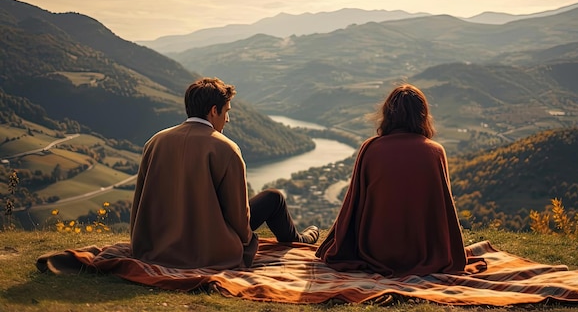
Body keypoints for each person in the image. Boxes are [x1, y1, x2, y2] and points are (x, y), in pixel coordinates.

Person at [130, 77, 319, 270]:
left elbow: (140, 202)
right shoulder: (225, 148)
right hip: (207, 247)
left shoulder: (155, 142)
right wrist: (246, 242)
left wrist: (142, 242)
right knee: (274, 198)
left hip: (157, 244)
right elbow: (238, 215)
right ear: (214, 111)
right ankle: (299, 239)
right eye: (226, 111)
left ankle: (299, 237)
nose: (227, 118)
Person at [316, 83, 485, 277]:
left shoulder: (370, 148)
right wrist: (449, 252)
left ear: (388, 114)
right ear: (423, 115)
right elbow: (442, 210)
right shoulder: (435, 152)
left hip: (374, 251)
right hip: (423, 252)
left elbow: (353, 205)